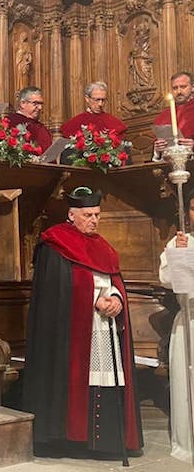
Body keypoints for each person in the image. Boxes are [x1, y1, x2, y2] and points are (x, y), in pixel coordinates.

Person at [22, 187, 143, 459]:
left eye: (97, 215)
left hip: (103, 328)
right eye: (88, 215)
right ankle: (72, 441)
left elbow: (113, 281)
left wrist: (116, 299)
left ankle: (104, 444)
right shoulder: (55, 244)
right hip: (71, 334)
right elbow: (57, 292)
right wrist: (92, 301)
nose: (94, 220)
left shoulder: (104, 248)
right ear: (71, 214)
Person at [158, 189, 194, 462]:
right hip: (189, 322)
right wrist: (181, 255)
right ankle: (188, 441)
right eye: (192, 208)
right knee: (187, 383)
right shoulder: (179, 243)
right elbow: (168, 280)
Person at [60, 82, 129, 165]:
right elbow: (67, 157)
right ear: (87, 99)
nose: (100, 104)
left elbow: (124, 154)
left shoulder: (113, 122)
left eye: (103, 100)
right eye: (97, 100)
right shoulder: (75, 123)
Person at [153, 71, 194, 159]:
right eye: (175, 88)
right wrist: (157, 150)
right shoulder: (162, 117)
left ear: (192, 87)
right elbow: (157, 155)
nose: (179, 91)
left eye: (183, 87)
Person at [6, 86, 53, 152]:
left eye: (41, 104)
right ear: (23, 103)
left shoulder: (40, 126)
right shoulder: (11, 122)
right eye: (35, 103)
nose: (40, 108)